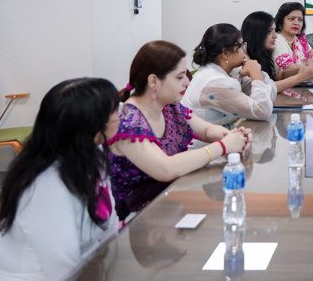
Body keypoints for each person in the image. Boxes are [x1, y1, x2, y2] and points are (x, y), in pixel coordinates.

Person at [0, 78, 120, 280]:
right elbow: (62, 268)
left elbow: (109, 224)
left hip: (90, 266)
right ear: (94, 126)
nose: (120, 116)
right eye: (116, 112)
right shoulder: (44, 187)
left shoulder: (92, 154)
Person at [107, 40, 252, 221]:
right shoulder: (128, 122)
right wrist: (223, 146)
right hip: (134, 219)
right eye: (179, 77)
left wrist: (232, 137)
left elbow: (205, 130)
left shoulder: (169, 106)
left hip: (165, 205)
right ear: (153, 81)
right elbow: (166, 168)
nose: (187, 82)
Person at [182, 23, 274, 125]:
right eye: (241, 46)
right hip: (203, 136)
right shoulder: (216, 82)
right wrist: (256, 74)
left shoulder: (228, 71)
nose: (244, 50)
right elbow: (263, 111)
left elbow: (270, 94)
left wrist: (256, 74)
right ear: (225, 54)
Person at [241, 11, 313, 93]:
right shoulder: (244, 59)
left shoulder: (265, 53)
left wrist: (307, 68)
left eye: (300, 20)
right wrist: (300, 76)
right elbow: (263, 90)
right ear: (256, 34)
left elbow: (279, 76)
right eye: (269, 31)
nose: (275, 36)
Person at [272, 2, 313, 77]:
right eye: (291, 19)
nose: (296, 23)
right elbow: (288, 68)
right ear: (281, 22)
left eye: (300, 20)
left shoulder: (300, 40)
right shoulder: (277, 40)